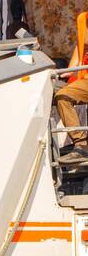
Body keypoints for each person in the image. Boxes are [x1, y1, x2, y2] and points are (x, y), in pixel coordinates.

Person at [56, 10, 88, 165]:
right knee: (62, 95)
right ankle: (81, 146)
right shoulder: (83, 20)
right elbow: (76, 59)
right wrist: (54, 73)